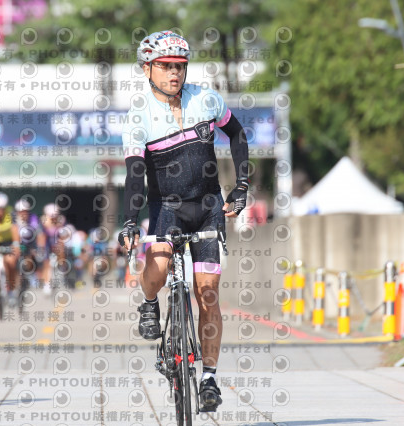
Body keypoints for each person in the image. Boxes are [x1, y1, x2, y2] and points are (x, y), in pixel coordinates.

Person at [118, 31, 249, 412]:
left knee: (207, 292)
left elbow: (237, 133)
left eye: (179, 66)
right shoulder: (138, 115)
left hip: (208, 205)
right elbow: (135, 174)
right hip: (167, 207)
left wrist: (241, 186)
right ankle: (149, 302)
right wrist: (130, 221)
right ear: (147, 68)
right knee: (158, 267)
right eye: (165, 66)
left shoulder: (206, 99)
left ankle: (208, 378)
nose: (174, 73)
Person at [14, 198, 46, 289]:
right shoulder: (13, 221)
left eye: (25, 211)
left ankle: (35, 276)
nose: (23, 214)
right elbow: (15, 237)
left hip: (32, 244)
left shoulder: (34, 218)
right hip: (19, 244)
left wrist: (40, 248)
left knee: (38, 256)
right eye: (21, 212)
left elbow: (40, 235)